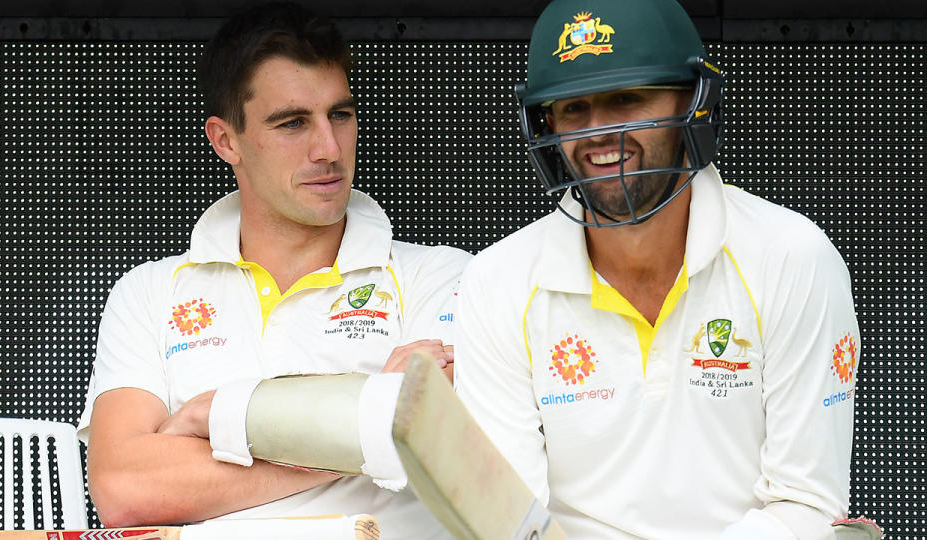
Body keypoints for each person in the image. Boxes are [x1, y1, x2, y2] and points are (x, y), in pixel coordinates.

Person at [454, 0, 861, 538]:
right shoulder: (497, 282)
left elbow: (805, 502)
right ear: (545, 122)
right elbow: (512, 521)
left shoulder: (792, 258)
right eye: (573, 107)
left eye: (627, 99)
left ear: (691, 102)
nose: (598, 133)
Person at [77, 3, 468, 538]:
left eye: (340, 114)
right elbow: (125, 490)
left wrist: (210, 419)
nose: (328, 149)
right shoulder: (149, 292)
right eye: (292, 123)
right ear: (226, 140)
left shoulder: (443, 276)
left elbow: (436, 438)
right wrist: (368, 424)